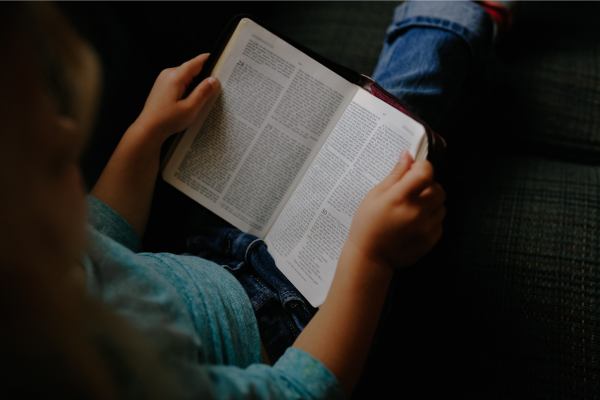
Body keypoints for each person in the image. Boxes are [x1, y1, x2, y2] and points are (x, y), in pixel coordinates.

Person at [0, 1, 507, 398]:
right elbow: (299, 390)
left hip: (203, 253)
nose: (76, 165)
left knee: (372, 129)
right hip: (290, 324)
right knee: (400, 122)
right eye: (58, 159)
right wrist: (369, 257)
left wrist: (146, 136)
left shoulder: (42, 263)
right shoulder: (112, 379)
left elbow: (105, 231)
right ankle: (456, 15)